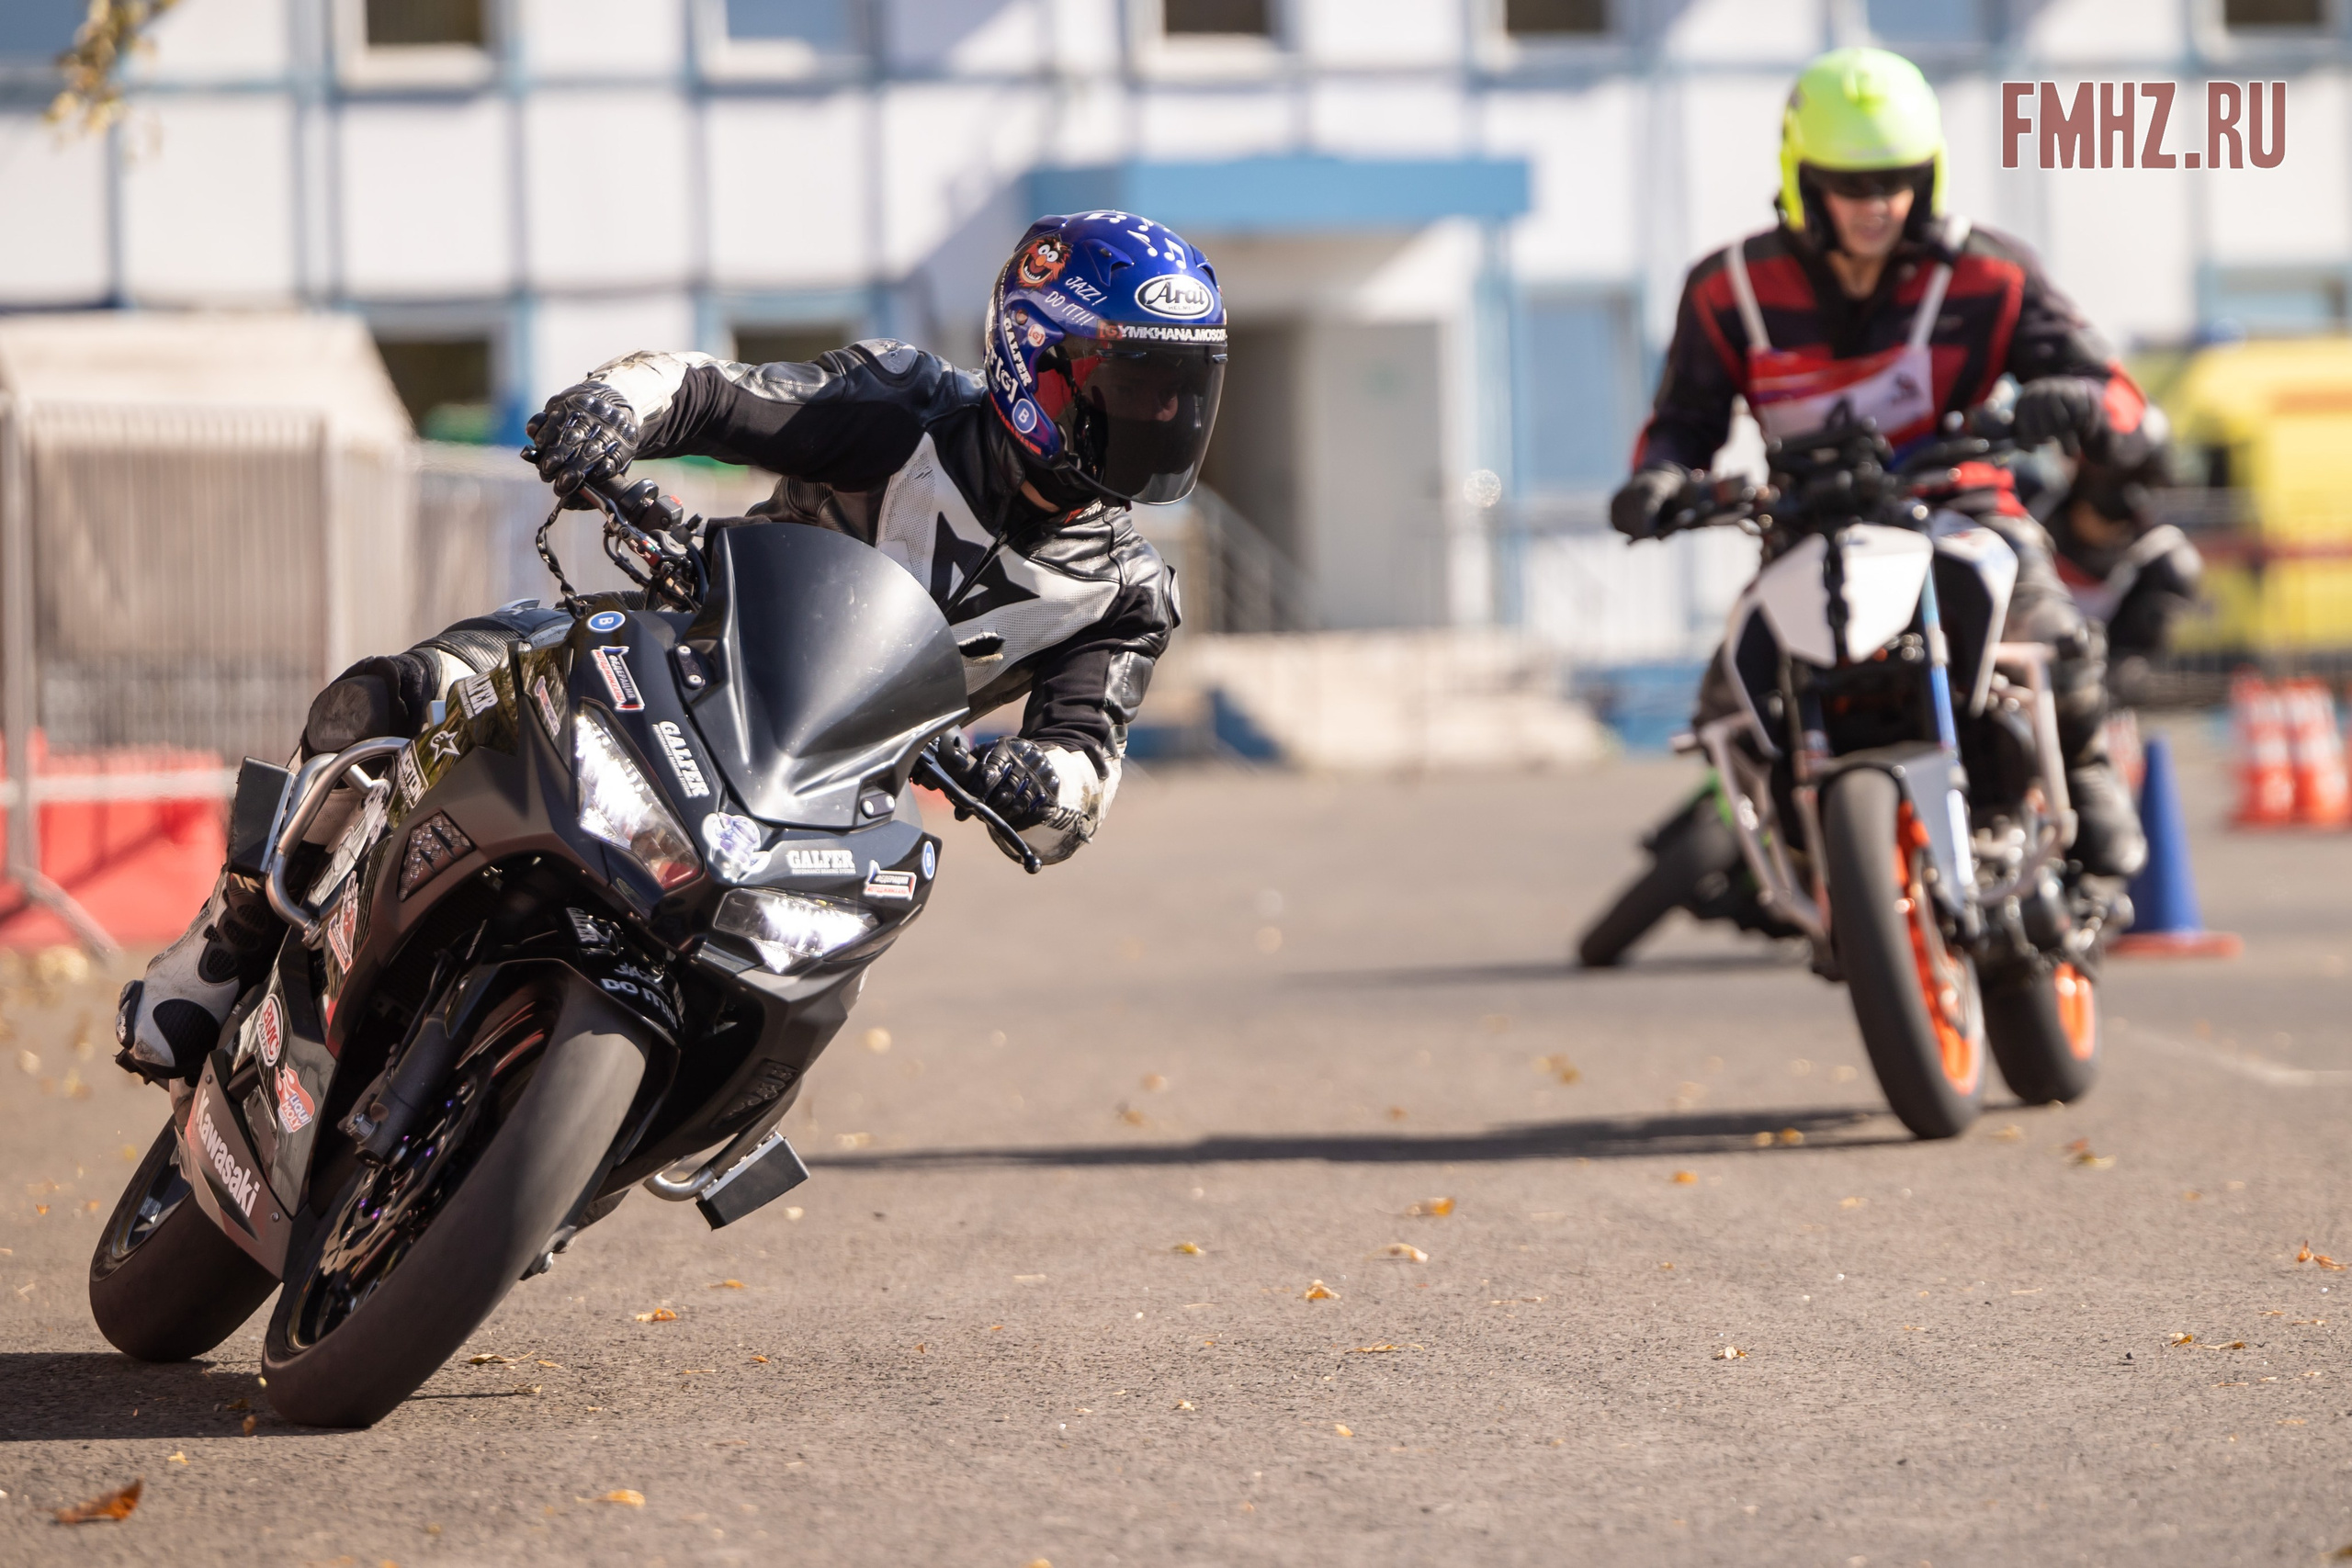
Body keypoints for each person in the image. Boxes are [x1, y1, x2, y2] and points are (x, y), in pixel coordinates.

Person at [115, 210, 1224, 1085]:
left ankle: (612, 1135)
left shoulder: (1128, 595)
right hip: (677, 661)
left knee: (779, 1013)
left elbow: (1087, 763)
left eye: (1186, 391)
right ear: (1040, 361)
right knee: (405, 694)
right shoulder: (906, 409)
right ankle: (231, 937)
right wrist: (609, 408)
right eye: (1137, 386)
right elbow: (707, 392)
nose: (1165, 417)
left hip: (834, 808)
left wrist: (1038, 779)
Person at [1611, 45, 2155, 881]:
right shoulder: (1725, 291)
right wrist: (1658, 479)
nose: (1880, 204)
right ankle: (1793, 856)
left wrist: (2074, 401)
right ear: (1801, 177)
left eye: (1899, 179)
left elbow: (2112, 388)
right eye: (1853, 184)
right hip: (1801, 530)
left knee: (2053, 638)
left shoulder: (1991, 272)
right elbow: (1682, 422)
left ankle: (2084, 775)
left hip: (1964, 509)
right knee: (1730, 705)